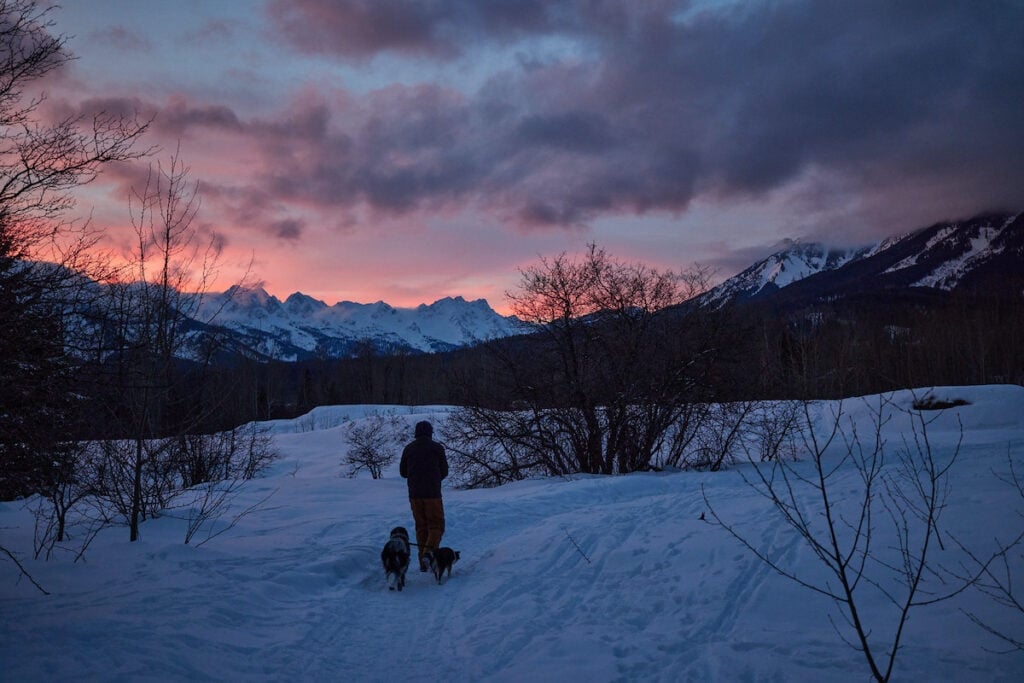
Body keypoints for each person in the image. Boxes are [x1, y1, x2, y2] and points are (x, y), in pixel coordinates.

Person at [399, 420, 448, 571]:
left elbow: (403, 473)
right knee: (436, 525)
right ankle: (428, 554)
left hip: (414, 495)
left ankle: (423, 562)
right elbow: (444, 471)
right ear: (430, 433)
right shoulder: (437, 448)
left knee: (421, 527)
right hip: (432, 494)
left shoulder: (408, 449)